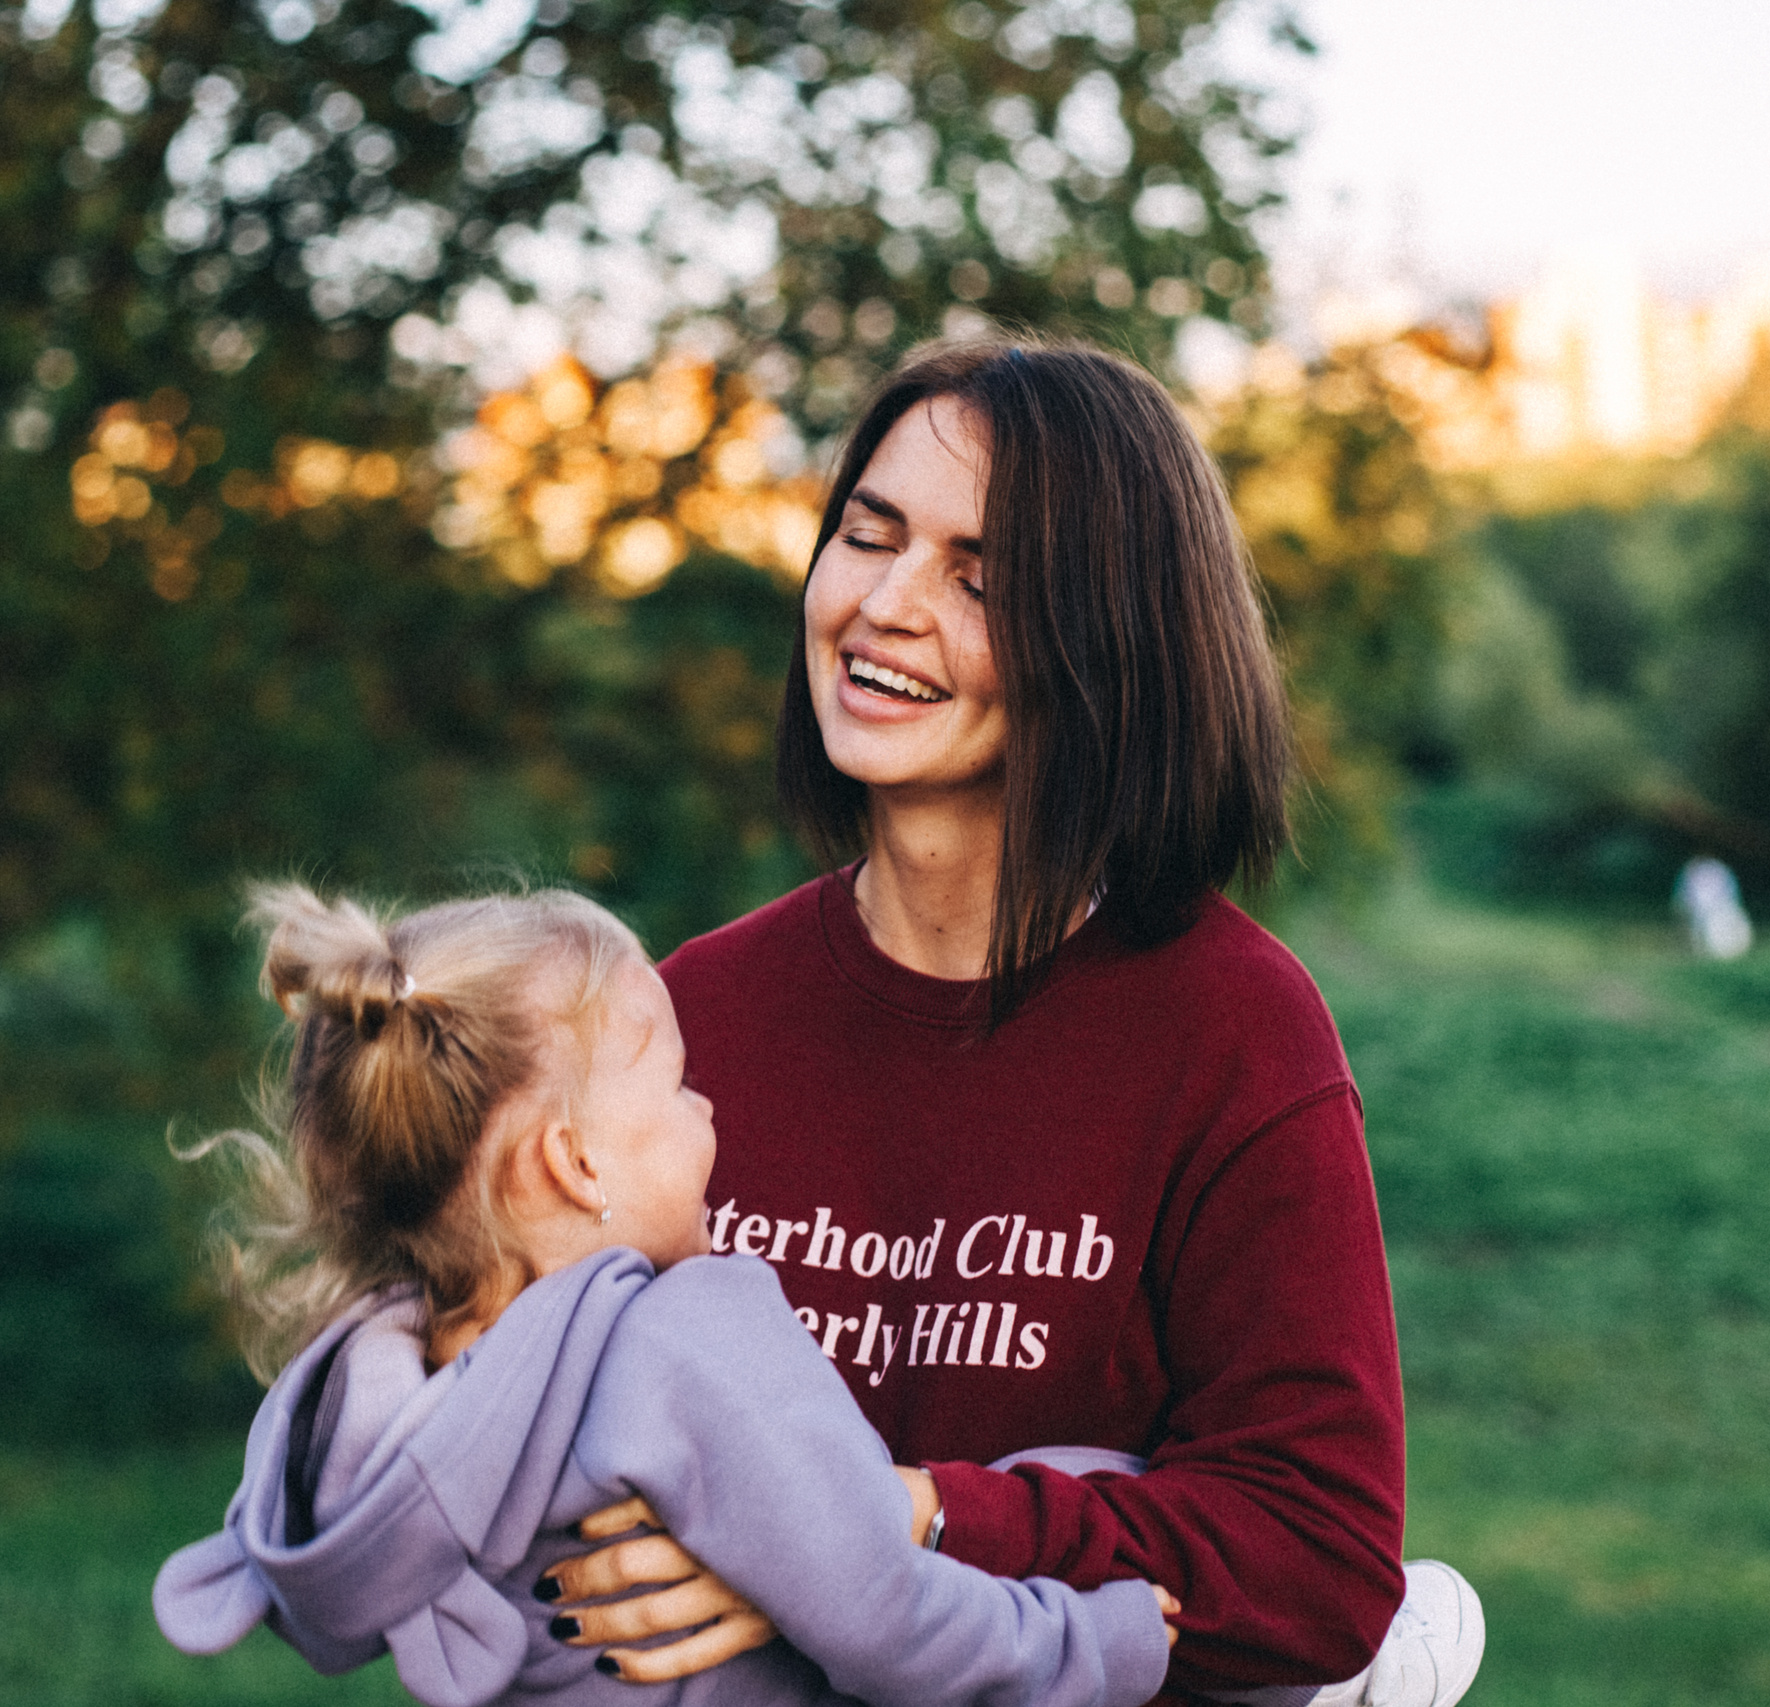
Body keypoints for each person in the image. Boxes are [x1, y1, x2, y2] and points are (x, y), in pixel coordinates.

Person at [537, 340, 1484, 1707]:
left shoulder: (1230, 1029)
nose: (885, 606)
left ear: (1113, 643)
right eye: (868, 537)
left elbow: (1320, 1559)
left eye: (979, 579)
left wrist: (894, 1521)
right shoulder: (677, 1024)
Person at [152, 882, 1184, 1707]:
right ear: (574, 1164)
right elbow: (882, 1610)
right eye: (677, 1084)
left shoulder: (379, 1389)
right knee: (1090, 1473)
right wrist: (1102, 1639)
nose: (707, 1110)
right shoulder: (684, 1336)